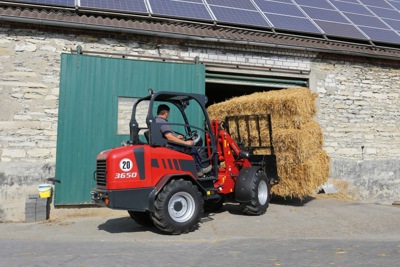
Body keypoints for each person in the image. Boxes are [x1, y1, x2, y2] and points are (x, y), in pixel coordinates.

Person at [156, 104, 212, 176]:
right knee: (193, 147)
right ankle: (199, 169)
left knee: (189, 144)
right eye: (168, 113)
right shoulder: (162, 122)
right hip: (168, 146)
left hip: (165, 144)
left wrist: (177, 137)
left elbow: (166, 136)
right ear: (166, 113)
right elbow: (169, 137)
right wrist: (186, 143)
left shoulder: (156, 120)